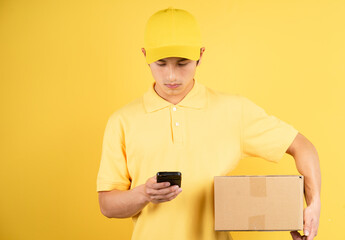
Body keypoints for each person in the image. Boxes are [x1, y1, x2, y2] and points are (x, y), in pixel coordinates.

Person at [96, 7, 321, 240]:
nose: (171, 76)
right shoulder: (122, 121)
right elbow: (107, 205)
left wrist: (314, 204)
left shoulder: (234, 110)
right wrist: (144, 194)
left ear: (200, 55)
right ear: (145, 56)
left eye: (182, 63)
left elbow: (302, 146)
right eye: (161, 63)